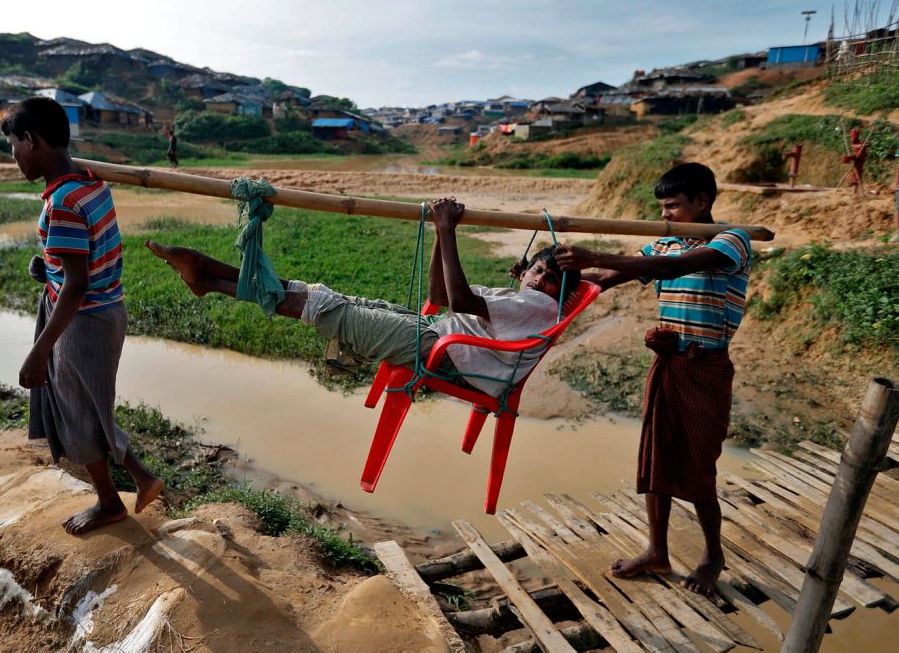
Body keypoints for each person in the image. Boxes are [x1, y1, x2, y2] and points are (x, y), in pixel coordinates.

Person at [145, 198, 580, 397]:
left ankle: (214, 279)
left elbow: (462, 302)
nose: (538, 279)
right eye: (537, 269)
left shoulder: (540, 306)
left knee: (327, 309)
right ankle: (214, 280)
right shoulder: (526, 299)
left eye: (548, 278)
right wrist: (437, 235)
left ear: (558, 292)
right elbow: (438, 295)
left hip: (445, 352)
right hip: (439, 334)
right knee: (319, 295)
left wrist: (448, 230)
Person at [553, 162, 750, 597]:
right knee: (656, 458)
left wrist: (596, 255)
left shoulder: (732, 240)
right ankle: (657, 552)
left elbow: (675, 268)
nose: (667, 215)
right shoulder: (665, 243)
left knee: (699, 465)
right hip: (669, 364)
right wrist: (552, 275)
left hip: (707, 367)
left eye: (675, 206)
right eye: (662, 208)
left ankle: (713, 554)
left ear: (702, 200)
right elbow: (603, 280)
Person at [1, 97, 164, 535]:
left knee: (80, 412)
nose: (14, 157)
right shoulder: (89, 183)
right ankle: (139, 479)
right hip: (100, 310)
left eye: (14, 146)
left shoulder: (66, 202)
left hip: (85, 319)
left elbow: (77, 284)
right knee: (89, 406)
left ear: (32, 141)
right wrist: (47, 267)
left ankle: (112, 502)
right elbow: (76, 263)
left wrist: (38, 353)